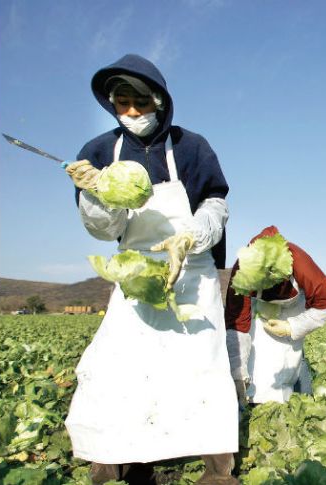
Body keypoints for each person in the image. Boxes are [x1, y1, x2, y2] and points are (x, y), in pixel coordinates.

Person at [62, 54, 238, 485]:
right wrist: (95, 194)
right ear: (112, 104)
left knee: (203, 367)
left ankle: (217, 470)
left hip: (193, 272)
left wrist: (191, 236)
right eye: (123, 103)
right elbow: (106, 232)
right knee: (118, 367)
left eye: (140, 102)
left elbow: (216, 204)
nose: (133, 112)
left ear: (159, 100)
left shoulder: (192, 146)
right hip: (136, 273)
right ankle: (116, 462)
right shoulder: (100, 152)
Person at [223, 226, 326, 405]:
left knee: (285, 360)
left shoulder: (300, 261)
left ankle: (284, 401)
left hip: (292, 307)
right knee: (257, 353)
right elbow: (237, 322)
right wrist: (237, 372)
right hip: (258, 307)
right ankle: (252, 398)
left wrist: (292, 327)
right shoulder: (242, 269)